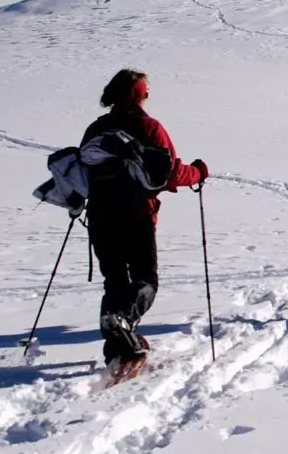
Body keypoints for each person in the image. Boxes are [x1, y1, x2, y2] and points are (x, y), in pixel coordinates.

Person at [83, 69, 207, 378]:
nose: (147, 96)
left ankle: (117, 350)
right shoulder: (148, 127)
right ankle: (123, 321)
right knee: (145, 280)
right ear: (138, 95)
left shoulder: (96, 130)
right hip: (136, 214)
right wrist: (199, 173)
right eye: (145, 91)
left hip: (99, 215)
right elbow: (171, 173)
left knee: (114, 281)